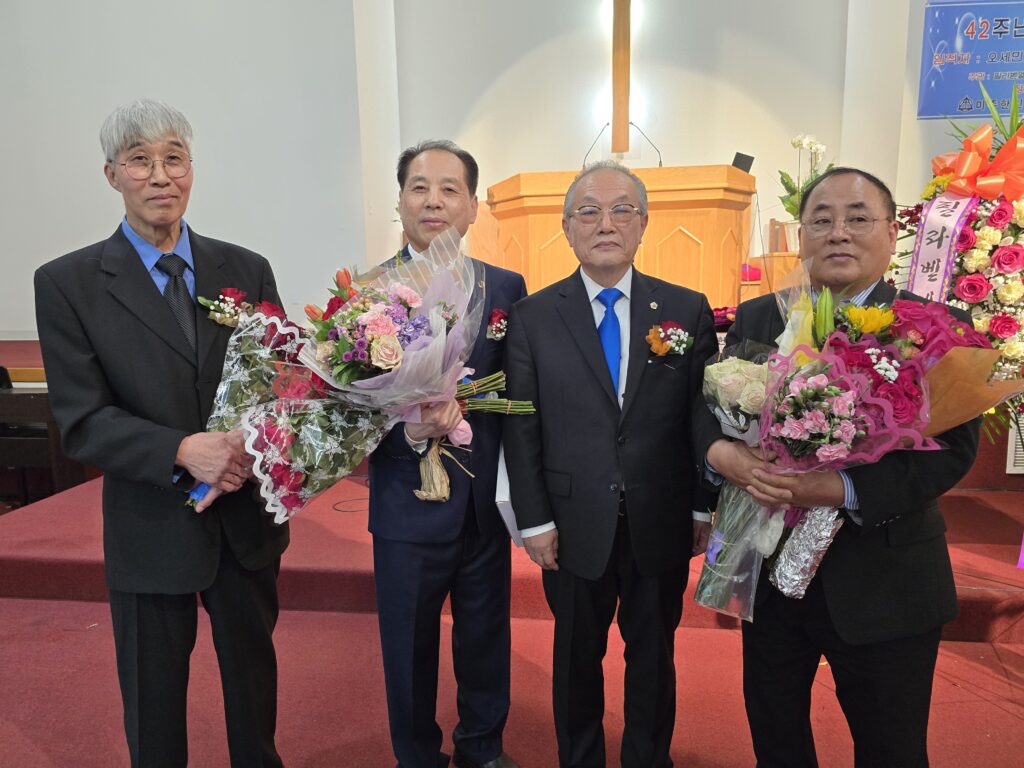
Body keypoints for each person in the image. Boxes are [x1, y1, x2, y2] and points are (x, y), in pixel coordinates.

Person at [34, 99, 288, 767]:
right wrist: (181, 450)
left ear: (191, 169)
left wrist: (248, 444)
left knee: (255, 696)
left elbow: (280, 384)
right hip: (151, 524)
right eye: (140, 160)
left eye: (174, 158)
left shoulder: (246, 269)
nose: (159, 175)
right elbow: (82, 420)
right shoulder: (68, 283)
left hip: (244, 522)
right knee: (153, 709)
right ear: (112, 174)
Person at [704, 167, 980, 767]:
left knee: (891, 749)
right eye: (821, 219)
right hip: (770, 578)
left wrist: (842, 487)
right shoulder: (759, 317)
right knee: (776, 740)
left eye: (858, 218)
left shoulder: (934, 326)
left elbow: (953, 450)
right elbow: (712, 409)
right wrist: (721, 453)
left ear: (891, 232)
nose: (838, 232)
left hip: (885, 580)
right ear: (801, 232)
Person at [502, 160, 720, 768]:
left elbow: (701, 416)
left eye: (622, 209)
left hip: (660, 516)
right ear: (567, 227)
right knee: (576, 659)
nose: (606, 223)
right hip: (571, 523)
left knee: (654, 659)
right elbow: (522, 425)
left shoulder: (686, 309)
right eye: (589, 211)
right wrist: (534, 520)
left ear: (643, 223)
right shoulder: (533, 316)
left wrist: (702, 506)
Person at [368, 139, 526, 768]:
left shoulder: (505, 286)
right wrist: (411, 431)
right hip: (406, 506)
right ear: (400, 201)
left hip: (483, 503)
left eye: (449, 189)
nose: (433, 201)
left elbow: (521, 390)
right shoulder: (368, 292)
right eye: (419, 187)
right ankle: (417, 756)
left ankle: (482, 749)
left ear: (473, 207)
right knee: (408, 647)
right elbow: (347, 410)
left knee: (486, 637)